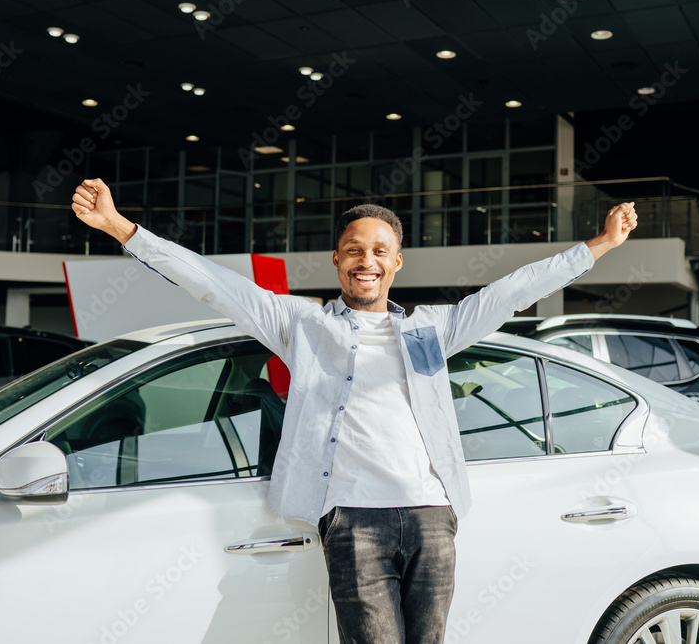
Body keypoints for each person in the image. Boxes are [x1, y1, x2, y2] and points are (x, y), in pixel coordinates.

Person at [71, 178, 637, 644]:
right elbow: (212, 285)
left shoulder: (431, 329)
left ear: (397, 263)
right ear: (337, 259)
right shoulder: (301, 324)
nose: (367, 260)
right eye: (355, 250)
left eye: (379, 251)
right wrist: (122, 228)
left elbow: (514, 290)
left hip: (432, 515)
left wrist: (604, 244)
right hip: (354, 519)